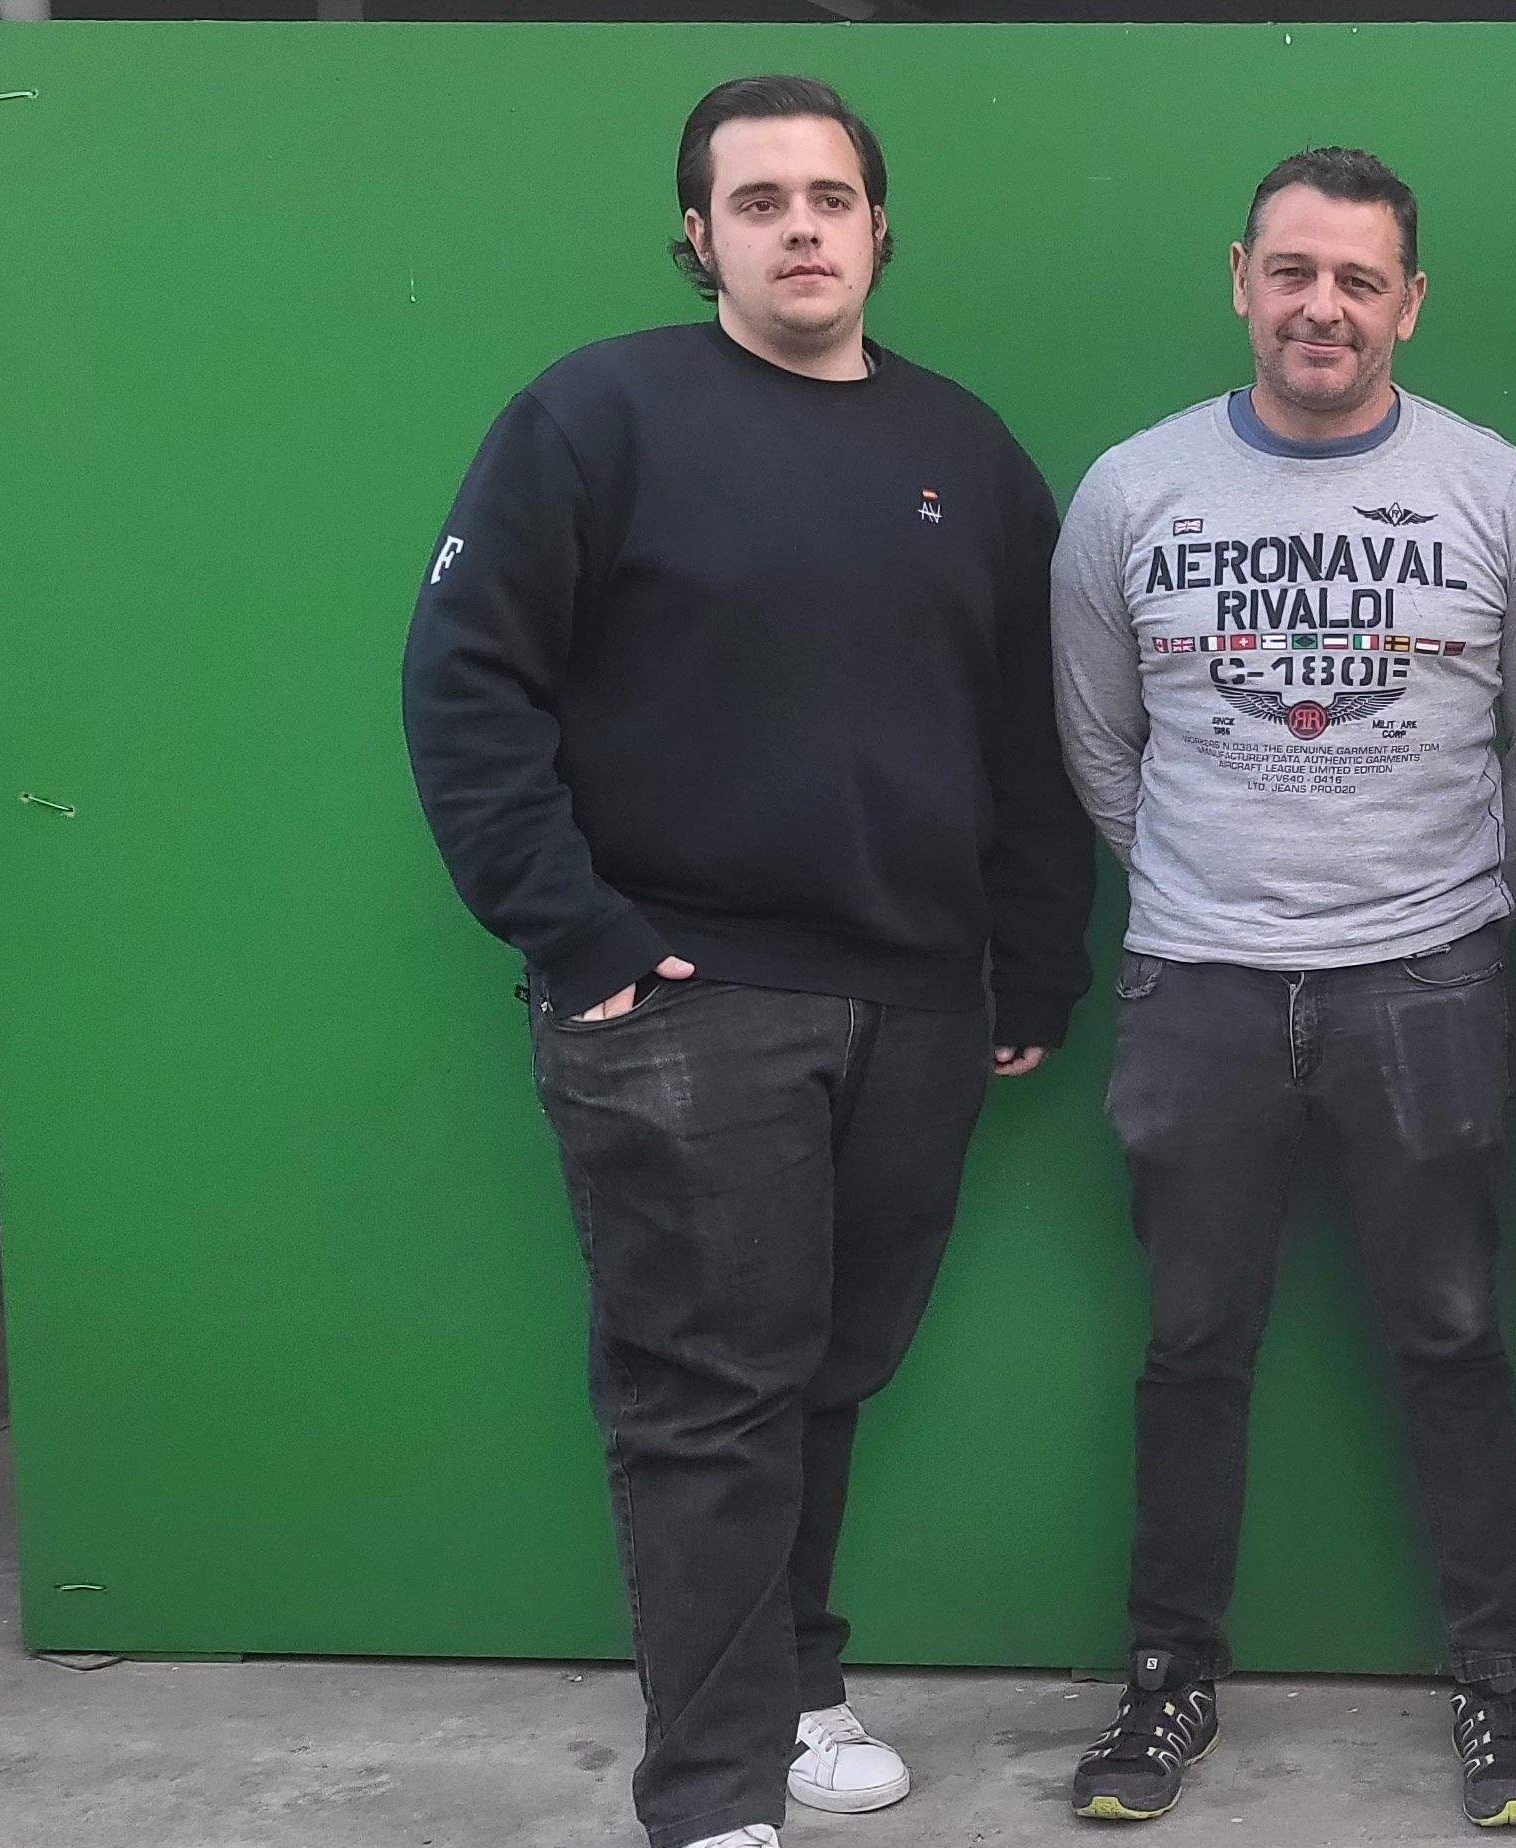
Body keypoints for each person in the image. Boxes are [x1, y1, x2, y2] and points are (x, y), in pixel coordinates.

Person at [399, 74, 1094, 1848]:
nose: (802, 227)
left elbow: (1027, 731)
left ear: (879, 230)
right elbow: (466, 686)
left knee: (824, 1373)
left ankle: (793, 1691)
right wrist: (585, 940)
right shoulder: (594, 418)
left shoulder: (964, 449)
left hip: (920, 1000)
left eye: (832, 198)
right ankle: (711, 1796)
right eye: (760, 199)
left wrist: (1030, 959)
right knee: (710, 1400)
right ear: (698, 234)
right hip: (684, 998)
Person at [1046, 145, 1516, 1830]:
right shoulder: (1132, 494)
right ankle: (1165, 1688)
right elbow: (1098, 745)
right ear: (1240, 279)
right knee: (1194, 1346)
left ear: (1408, 302)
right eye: (1294, 271)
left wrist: (1436, 917)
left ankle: (1502, 1697)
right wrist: (1219, 893)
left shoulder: (1499, 494)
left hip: (1425, 987)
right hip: (1197, 984)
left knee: (1452, 1337)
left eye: (1360, 279)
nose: (1323, 306)